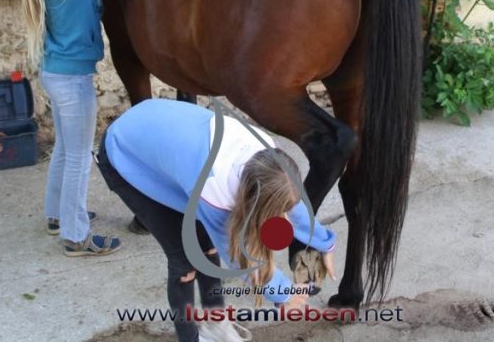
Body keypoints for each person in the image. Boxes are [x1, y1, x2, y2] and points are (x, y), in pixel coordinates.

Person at [13, 0, 176, 256]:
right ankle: (76, 236)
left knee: (65, 149)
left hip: (60, 75)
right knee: (79, 156)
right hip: (71, 81)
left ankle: (58, 214)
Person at [96, 99, 337, 342]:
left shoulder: (271, 161)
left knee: (207, 244)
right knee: (185, 258)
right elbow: (239, 258)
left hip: (159, 132)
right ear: (252, 200)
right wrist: (283, 295)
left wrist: (324, 243)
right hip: (124, 154)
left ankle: (216, 325)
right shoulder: (214, 191)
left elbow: (293, 204)